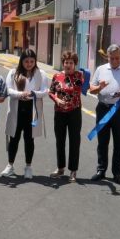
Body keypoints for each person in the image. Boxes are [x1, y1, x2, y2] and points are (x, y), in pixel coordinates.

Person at [89, 44, 120, 184]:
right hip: (103, 108)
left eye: (117, 58)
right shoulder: (101, 69)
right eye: (111, 58)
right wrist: (100, 87)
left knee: (119, 142)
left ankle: (117, 172)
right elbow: (91, 89)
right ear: (107, 57)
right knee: (102, 141)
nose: (114, 61)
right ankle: (101, 170)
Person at [1, 49, 48, 180]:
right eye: (26, 61)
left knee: (29, 139)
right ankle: (10, 165)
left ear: (35, 61)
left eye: (32, 61)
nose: (29, 64)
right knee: (14, 138)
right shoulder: (13, 73)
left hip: (32, 109)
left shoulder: (41, 73)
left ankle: (28, 167)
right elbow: (8, 89)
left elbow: (45, 91)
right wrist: (20, 94)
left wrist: (33, 94)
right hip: (17, 108)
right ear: (21, 61)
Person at [48, 51, 83, 182]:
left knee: (74, 141)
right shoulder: (56, 76)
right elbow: (51, 92)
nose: (68, 65)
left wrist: (99, 86)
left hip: (74, 112)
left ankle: (73, 170)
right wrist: (56, 100)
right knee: (60, 140)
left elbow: (84, 89)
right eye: (66, 62)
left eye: (71, 63)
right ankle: (60, 168)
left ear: (75, 64)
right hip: (59, 112)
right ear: (63, 63)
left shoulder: (79, 76)